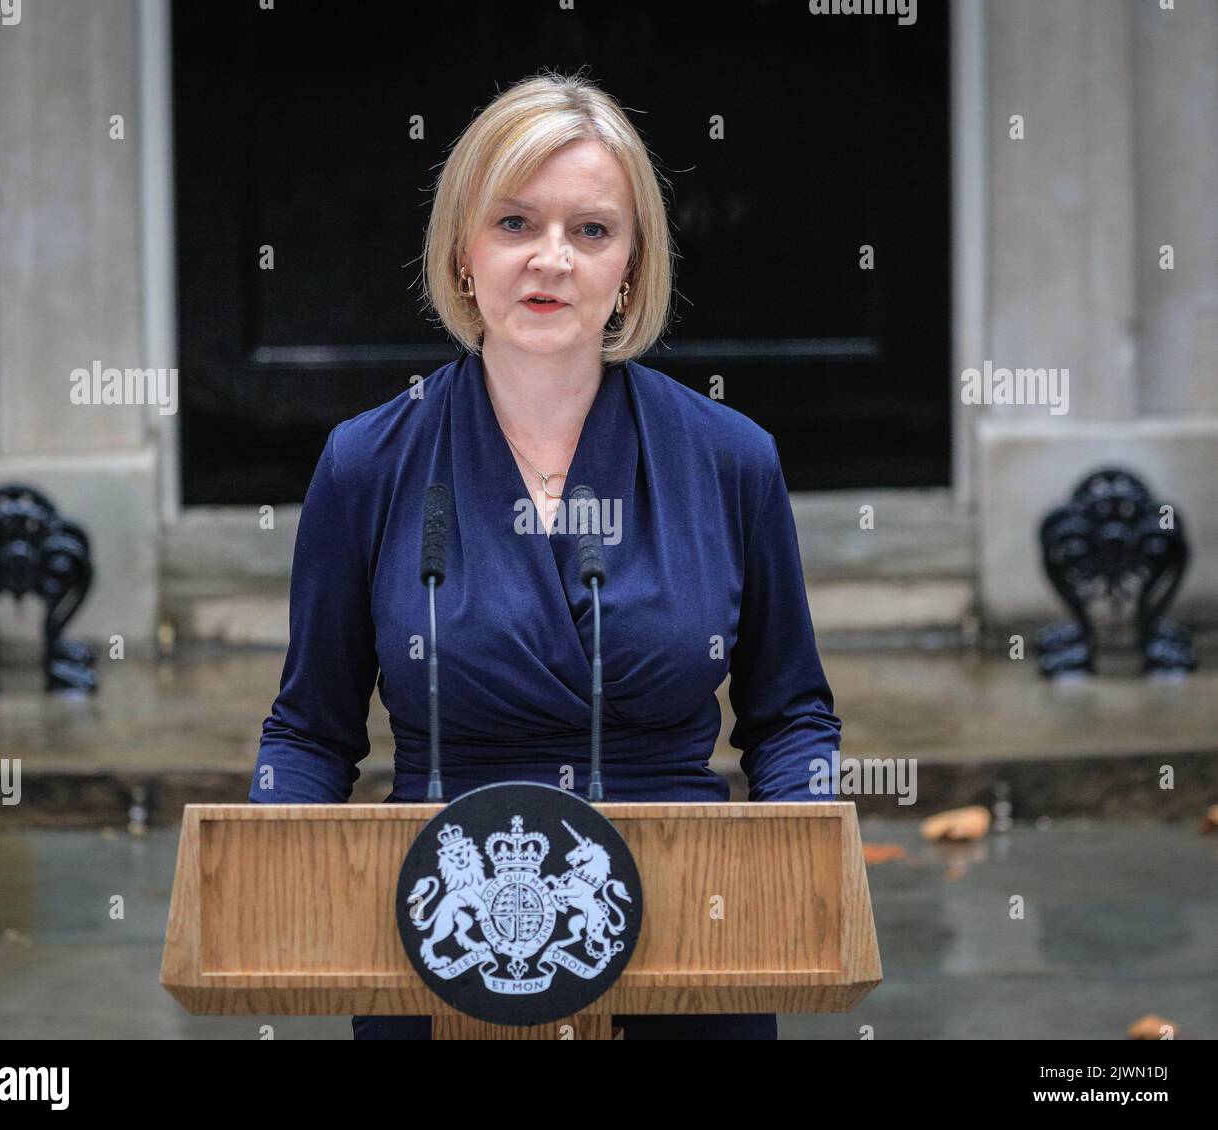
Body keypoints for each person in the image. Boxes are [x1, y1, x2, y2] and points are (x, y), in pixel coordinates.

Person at [248, 69, 843, 1040]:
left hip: (692, 939)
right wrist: (265, 869)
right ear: (462, 249)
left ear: (632, 264)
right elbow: (312, 731)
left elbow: (790, 719)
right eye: (515, 222)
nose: (551, 259)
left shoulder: (733, 459)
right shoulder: (366, 463)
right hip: (438, 944)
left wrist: (805, 871)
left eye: (591, 230)